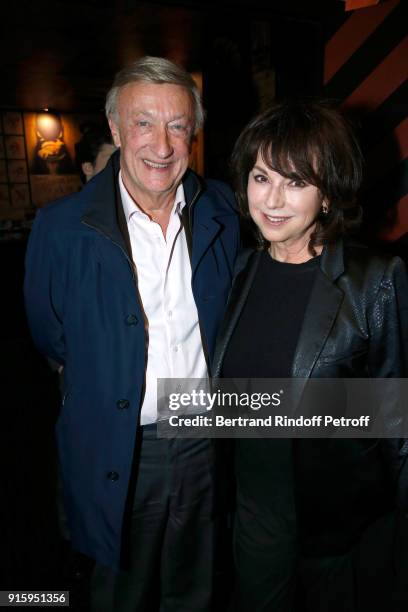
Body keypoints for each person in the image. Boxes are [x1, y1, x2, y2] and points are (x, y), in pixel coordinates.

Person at [24, 56, 239, 611]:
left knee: (196, 586)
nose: (162, 146)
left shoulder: (225, 210)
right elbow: (51, 338)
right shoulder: (61, 228)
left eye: (178, 126)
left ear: (193, 134)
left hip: (201, 440)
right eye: (144, 123)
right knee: (118, 590)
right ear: (117, 130)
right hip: (118, 446)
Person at [212, 99, 408, 611]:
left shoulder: (376, 282)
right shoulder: (236, 273)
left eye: (296, 182)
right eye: (261, 177)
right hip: (254, 515)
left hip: (340, 530)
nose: (272, 199)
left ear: (327, 196)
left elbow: (399, 426)